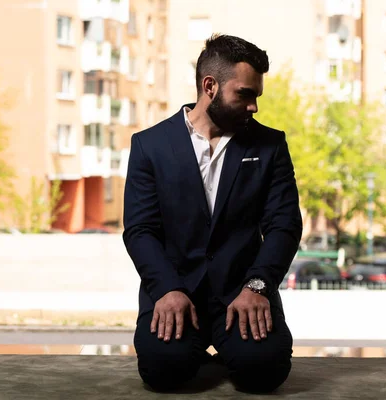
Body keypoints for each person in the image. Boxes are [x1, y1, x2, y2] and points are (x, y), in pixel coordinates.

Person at [123, 34, 303, 393]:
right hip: (177, 293)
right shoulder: (149, 146)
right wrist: (166, 289)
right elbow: (140, 229)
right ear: (210, 86)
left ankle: (233, 351)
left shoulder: (270, 146)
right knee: (163, 371)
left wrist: (258, 286)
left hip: (241, 294)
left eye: (256, 96)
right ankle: (196, 353)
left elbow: (284, 225)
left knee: (265, 371)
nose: (254, 107)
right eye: (245, 94)